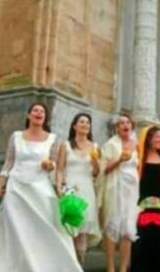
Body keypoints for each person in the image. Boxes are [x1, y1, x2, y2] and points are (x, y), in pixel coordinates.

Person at [0, 102, 82, 272]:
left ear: (45, 117)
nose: (39, 113)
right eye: (35, 110)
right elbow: (8, 164)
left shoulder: (53, 138)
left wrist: (51, 168)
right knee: (15, 228)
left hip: (40, 188)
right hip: (16, 188)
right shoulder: (16, 136)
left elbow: (56, 165)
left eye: (42, 111)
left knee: (46, 227)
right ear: (28, 115)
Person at [56, 112, 102, 264]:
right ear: (74, 126)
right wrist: (58, 188)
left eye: (88, 123)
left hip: (87, 189)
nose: (85, 125)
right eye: (81, 122)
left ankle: (79, 264)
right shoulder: (66, 145)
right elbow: (60, 169)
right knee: (70, 229)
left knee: (82, 231)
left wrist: (96, 163)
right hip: (70, 189)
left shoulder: (95, 147)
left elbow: (96, 173)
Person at [98, 113, 140, 272]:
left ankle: (123, 268)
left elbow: (137, 167)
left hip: (131, 191)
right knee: (111, 225)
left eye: (128, 122)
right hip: (115, 188)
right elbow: (104, 169)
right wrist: (119, 160)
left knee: (128, 228)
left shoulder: (136, 145)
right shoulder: (110, 144)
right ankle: (110, 267)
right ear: (117, 128)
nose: (125, 125)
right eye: (121, 123)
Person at [130, 125, 160, 272]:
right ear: (149, 139)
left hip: (159, 203)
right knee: (142, 239)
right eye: (156, 136)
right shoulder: (139, 157)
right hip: (142, 202)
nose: (159, 139)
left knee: (158, 239)